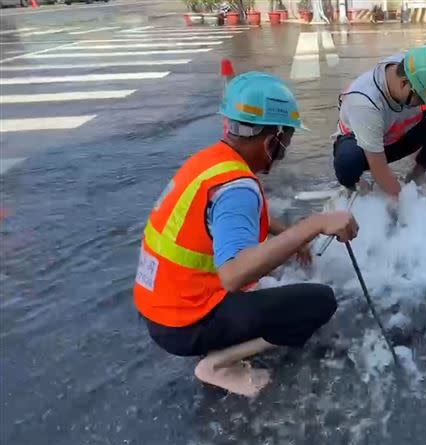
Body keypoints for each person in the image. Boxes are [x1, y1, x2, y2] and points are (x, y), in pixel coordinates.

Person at [133, 71, 360, 397]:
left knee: (274, 275)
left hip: (160, 307)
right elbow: (234, 274)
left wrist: (290, 234)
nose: (285, 149)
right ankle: (217, 364)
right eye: (287, 139)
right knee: (318, 302)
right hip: (184, 323)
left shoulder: (212, 162)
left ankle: (217, 338)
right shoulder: (237, 187)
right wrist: (313, 225)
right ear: (273, 139)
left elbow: (230, 219)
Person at [331, 45, 426, 198]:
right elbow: (378, 165)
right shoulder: (365, 102)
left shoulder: (414, 67)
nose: (422, 103)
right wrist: (402, 199)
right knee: (348, 161)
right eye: (420, 98)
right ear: (404, 84)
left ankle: (417, 174)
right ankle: (357, 184)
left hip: (398, 135)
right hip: (363, 146)